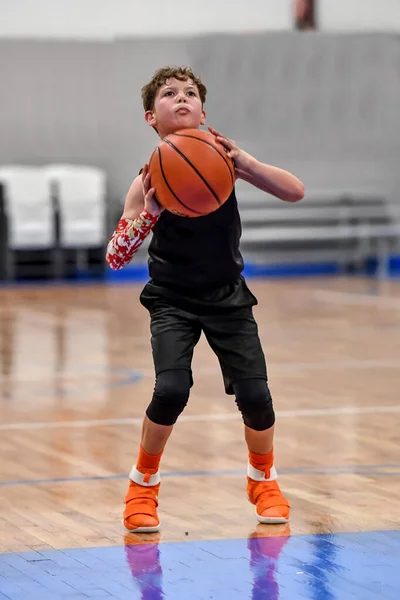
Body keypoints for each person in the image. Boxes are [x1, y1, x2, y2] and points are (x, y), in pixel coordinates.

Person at [106, 66, 304, 533]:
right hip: (172, 298)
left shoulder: (225, 161)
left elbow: (295, 192)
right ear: (150, 117)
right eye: (169, 94)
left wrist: (248, 163)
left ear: (203, 111)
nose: (181, 99)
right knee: (171, 390)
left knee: (256, 395)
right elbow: (115, 257)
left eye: (190, 93)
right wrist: (148, 216)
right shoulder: (147, 180)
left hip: (228, 295)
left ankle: (264, 479)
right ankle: (143, 485)